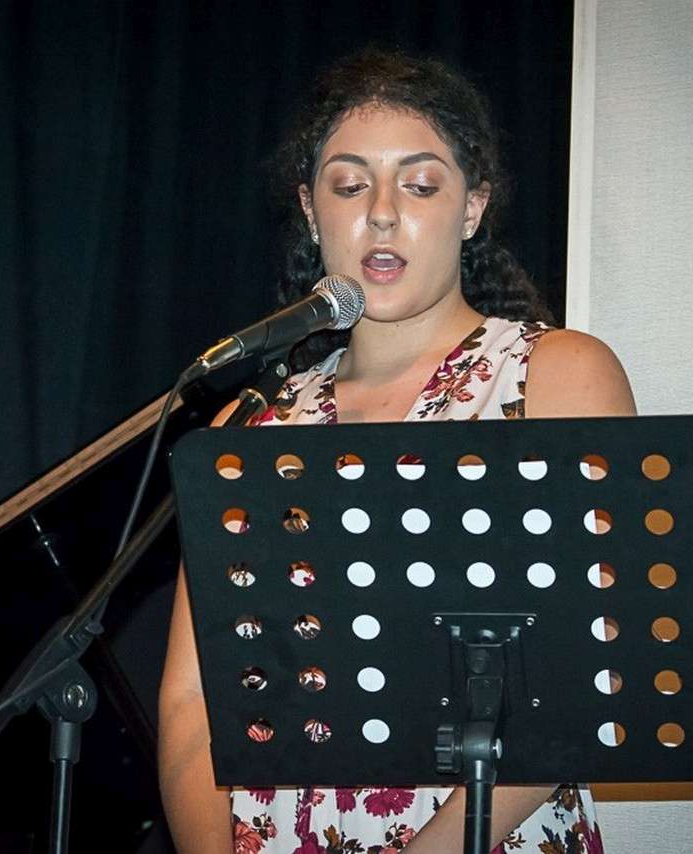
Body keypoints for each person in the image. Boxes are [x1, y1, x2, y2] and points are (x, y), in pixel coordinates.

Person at [159, 48, 634, 853]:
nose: (381, 214)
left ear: (473, 206)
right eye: (349, 186)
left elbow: (594, 662)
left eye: (419, 185)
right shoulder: (252, 425)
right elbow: (192, 702)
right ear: (311, 211)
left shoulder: (552, 374)